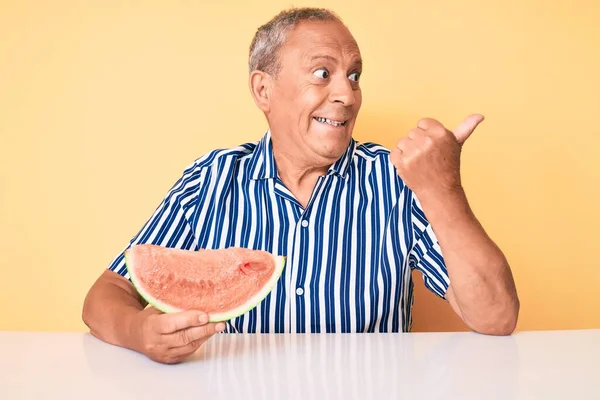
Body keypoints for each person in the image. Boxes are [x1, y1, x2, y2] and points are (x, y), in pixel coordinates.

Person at [82, 7, 519, 364]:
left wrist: (443, 189)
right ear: (263, 90)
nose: (347, 95)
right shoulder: (210, 180)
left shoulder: (396, 180)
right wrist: (139, 332)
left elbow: (497, 317)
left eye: (354, 74)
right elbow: (105, 295)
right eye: (322, 73)